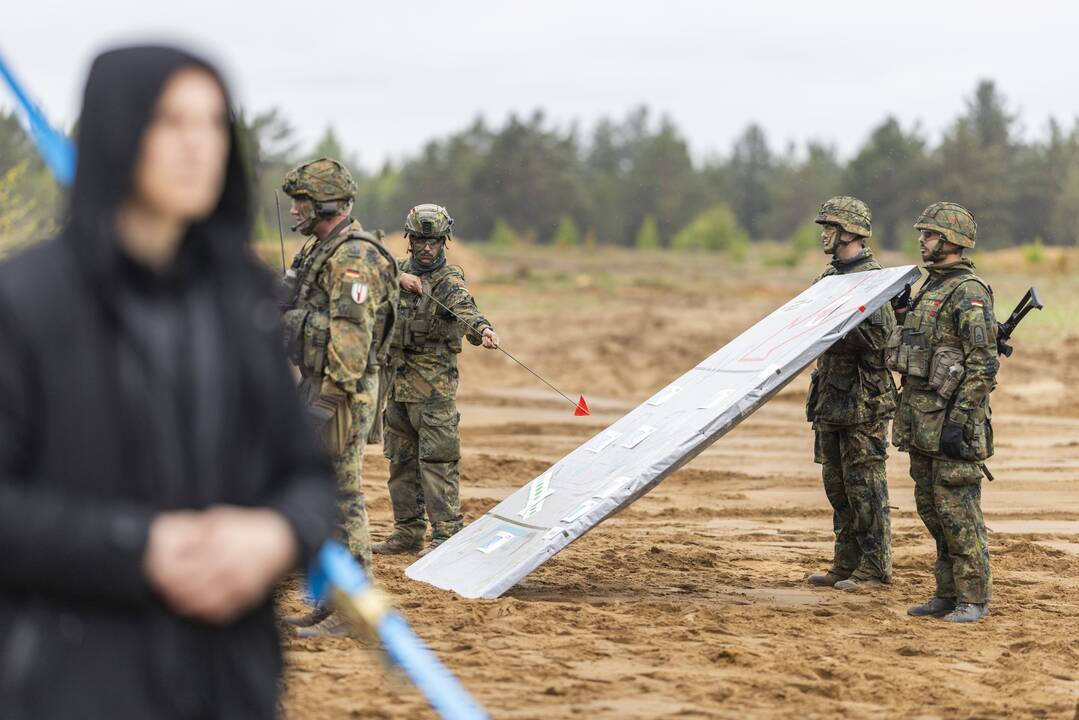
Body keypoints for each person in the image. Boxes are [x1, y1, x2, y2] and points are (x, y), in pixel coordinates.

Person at [0, 46, 337, 718]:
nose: (198, 146)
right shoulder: (26, 302)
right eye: (170, 123)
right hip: (72, 681)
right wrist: (140, 548)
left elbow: (309, 477)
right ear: (118, 132)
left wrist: (275, 534)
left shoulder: (241, 299)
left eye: (213, 123)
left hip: (227, 681)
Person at [278, 158, 397, 637]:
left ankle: (353, 611)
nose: (293, 212)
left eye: (301, 203)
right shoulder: (320, 250)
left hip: (340, 389)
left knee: (342, 497)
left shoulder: (353, 258)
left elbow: (351, 342)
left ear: (325, 204)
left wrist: (327, 405)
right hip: (320, 382)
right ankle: (331, 601)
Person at [372, 204, 499, 557]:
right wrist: (399, 278)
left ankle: (446, 535)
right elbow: (369, 271)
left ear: (445, 242)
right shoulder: (394, 271)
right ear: (409, 240)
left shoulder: (449, 282)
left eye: (434, 241)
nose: (427, 247)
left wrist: (484, 330)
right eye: (421, 240)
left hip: (434, 392)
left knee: (437, 462)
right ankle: (407, 532)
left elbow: (466, 310)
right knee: (400, 462)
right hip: (398, 386)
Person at [891, 202, 997, 624]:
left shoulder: (968, 291)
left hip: (951, 422)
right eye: (923, 234)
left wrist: (960, 420)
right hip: (921, 418)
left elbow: (983, 363)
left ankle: (973, 598)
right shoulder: (931, 287)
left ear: (951, 241)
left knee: (958, 511)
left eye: (930, 235)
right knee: (931, 508)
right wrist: (902, 314)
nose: (922, 240)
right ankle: (947, 592)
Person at [804, 196, 897, 590]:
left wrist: (835, 324)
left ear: (850, 232)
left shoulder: (875, 280)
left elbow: (880, 336)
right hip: (830, 398)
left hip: (863, 402)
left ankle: (875, 568)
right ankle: (846, 563)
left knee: (866, 487)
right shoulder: (828, 277)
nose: (824, 233)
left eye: (830, 227)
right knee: (837, 487)